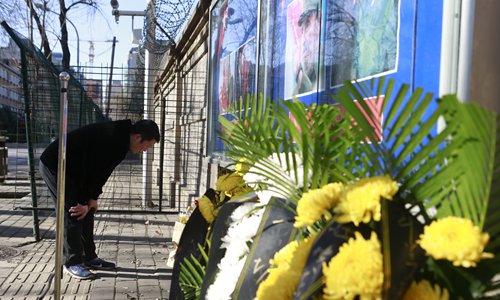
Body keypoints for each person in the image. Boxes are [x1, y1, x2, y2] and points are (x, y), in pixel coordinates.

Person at [39, 119, 160, 280]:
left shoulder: (121, 141)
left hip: (75, 169)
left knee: (88, 210)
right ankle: (72, 261)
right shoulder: (113, 139)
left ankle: (89, 257)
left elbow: (101, 173)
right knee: (74, 210)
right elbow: (86, 170)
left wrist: (92, 198)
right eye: (148, 145)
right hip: (56, 164)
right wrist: (82, 200)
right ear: (138, 137)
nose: (147, 150)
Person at [294, 0, 321, 95]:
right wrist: (303, 73)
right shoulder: (303, 66)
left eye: (319, 20)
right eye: (308, 23)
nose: (312, 31)